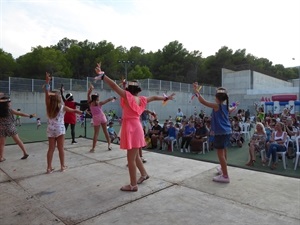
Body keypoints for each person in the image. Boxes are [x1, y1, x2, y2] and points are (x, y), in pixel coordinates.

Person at [95, 63, 175, 192]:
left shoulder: (127, 97)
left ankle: (133, 185)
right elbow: (154, 97)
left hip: (130, 127)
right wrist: (166, 98)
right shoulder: (141, 99)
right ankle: (144, 174)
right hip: (136, 126)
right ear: (138, 90)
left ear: (128, 90)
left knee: (130, 159)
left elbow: (114, 86)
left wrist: (103, 76)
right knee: (135, 155)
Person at [193, 82, 236, 183]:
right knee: (224, 151)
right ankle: (223, 169)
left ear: (217, 97)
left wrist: (196, 90)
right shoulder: (225, 106)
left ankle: (225, 176)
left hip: (220, 132)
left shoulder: (217, 106)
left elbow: (203, 101)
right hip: (227, 131)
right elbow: (232, 109)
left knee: (220, 154)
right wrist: (235, 106)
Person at [44, 72, 84, 174]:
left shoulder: (48, 106)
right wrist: (80, 111)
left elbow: (46, 93)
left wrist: (47, 82)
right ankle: (62, 166)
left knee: (51, 149)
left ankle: (49, 167)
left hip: (50, 129)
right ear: (58, 98)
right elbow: (73, 110)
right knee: (61, 148)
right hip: (60, 129)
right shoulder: (62, 107)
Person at [0, 97, 34, 162]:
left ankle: (1, 157)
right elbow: (21, 113)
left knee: (1, 144)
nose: (10, 103)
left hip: (1, 128)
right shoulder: (10, 110)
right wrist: (29, 115)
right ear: (6, 103)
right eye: (9, 102)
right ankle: (25, 153)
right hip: (11, 127)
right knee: (18, 141)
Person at [87, 84, 116, 152]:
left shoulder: (90, 103)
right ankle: (109, 145)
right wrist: (113, 98)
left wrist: (90, 89)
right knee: (105, 132)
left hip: (95, 118)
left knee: (96, 133)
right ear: (97, 98)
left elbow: (88, 95)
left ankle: (93, 148)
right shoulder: (99, 103)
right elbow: (108, 99)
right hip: (102, 117)